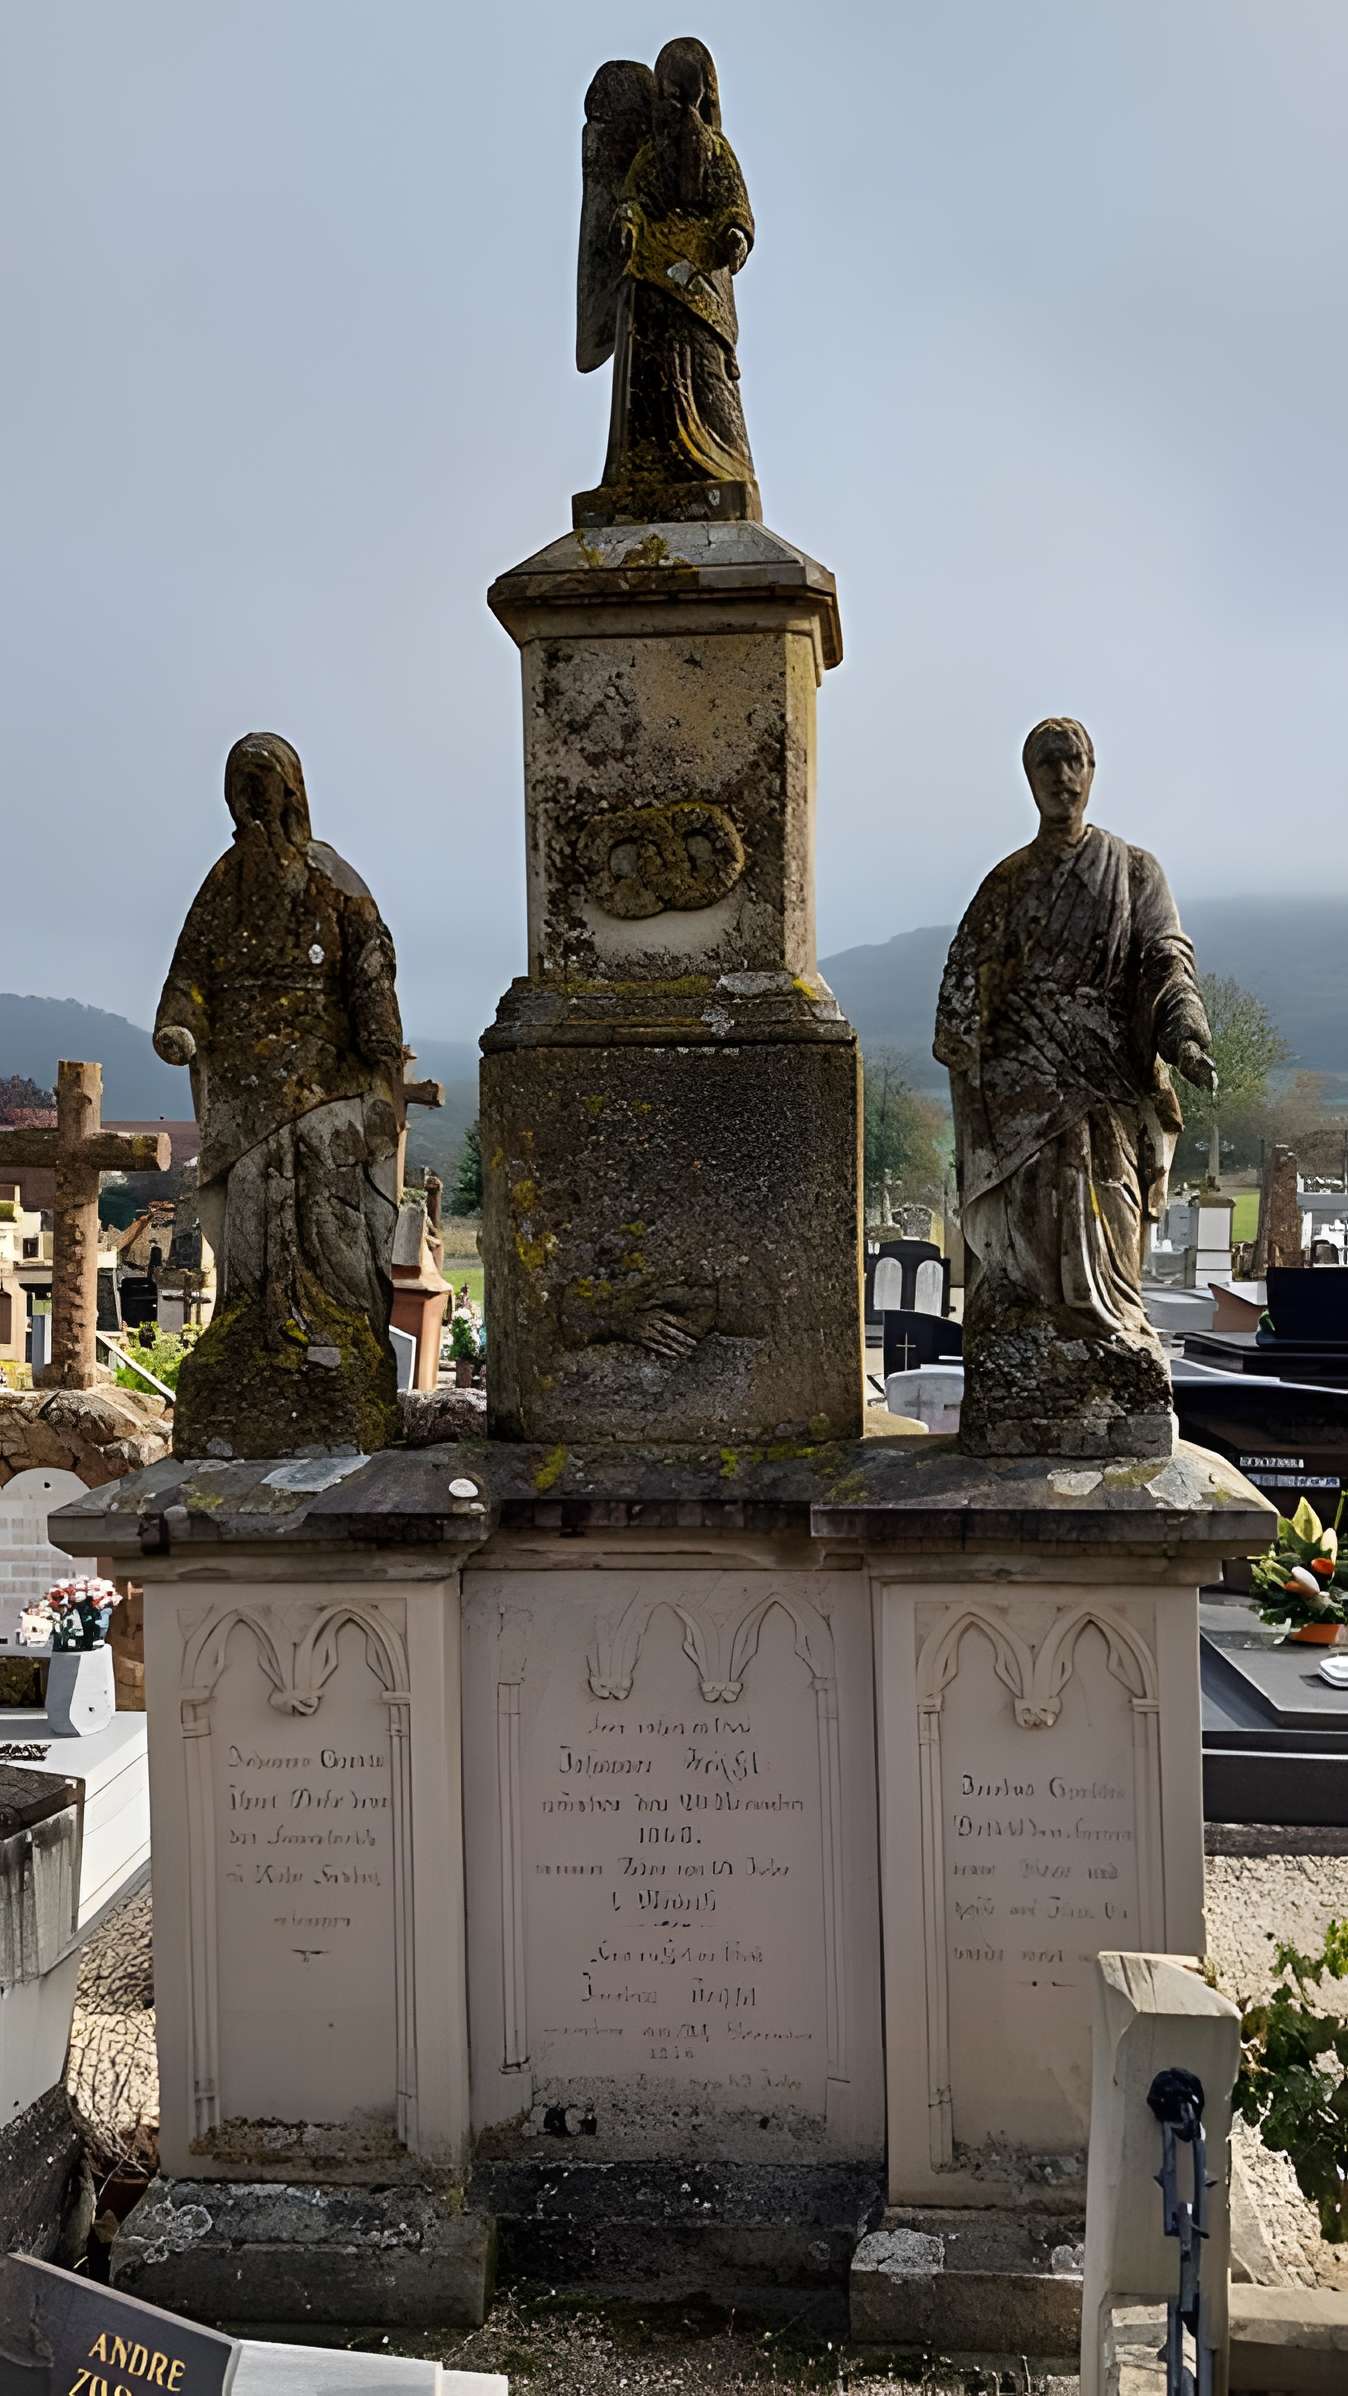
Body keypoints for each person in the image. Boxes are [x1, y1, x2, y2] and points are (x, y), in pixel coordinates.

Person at [934, 717, 1217, 1453]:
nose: (1063, 777)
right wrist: (967, 1034)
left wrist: (1182, 1032)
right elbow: (969, 977)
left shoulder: (1134, 872)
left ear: (1093, 771)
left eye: (1075, 762)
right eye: (1047, 764)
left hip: (1105, 1079)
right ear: (1029, 778)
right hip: (1026, 1084)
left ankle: (1109, 1330)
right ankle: (1032, 1329)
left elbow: (1165, 958)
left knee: (1111, 1210)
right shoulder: (1009, 881)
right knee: (1032, 1223)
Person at [154, 733, 404, 1453]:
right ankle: (247, 1332)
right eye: (243, 788)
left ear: (292, 793)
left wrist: (380, 1035)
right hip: (241, 1081)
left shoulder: (332, 877)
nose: (254, 802)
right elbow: (190, 971)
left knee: (327, 1216)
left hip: (324, 1077)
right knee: (250, 1216)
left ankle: (340, 1334)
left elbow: (369, 965)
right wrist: (178, 1024)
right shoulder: (224, 880)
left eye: (265, 787)